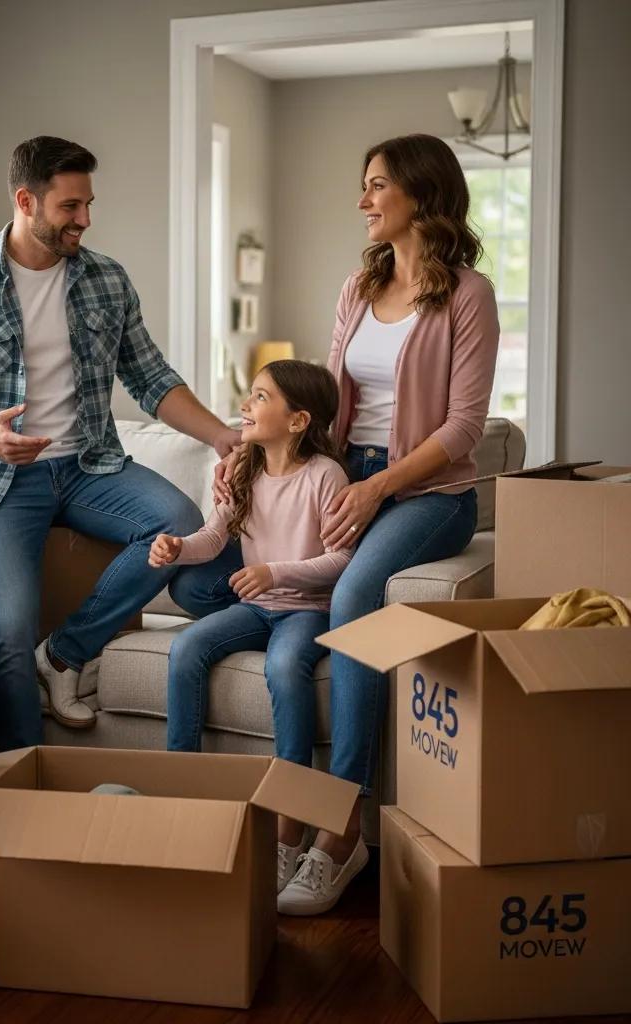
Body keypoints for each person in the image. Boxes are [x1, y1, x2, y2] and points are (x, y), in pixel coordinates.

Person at [173, 133, 500, 915]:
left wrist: (378, 484)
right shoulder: (359, 286)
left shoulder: (468, 293)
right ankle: (270, 637)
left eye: (377, 185)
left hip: (428, 494)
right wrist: (260, 455)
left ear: (419, 193)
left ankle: (338, 829)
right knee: (194, 581)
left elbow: (462, 427)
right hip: (348, 469)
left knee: (354, 600)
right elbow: (329, 398)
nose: (363, 201)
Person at [0, 135, 239, 748]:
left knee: (178, 523)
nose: (84, 219)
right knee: (8, 629)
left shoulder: (106, 279)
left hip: (88, 466)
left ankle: (63, 654)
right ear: (26, 201)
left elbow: (150, 378)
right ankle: (24, 790)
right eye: (69, 207)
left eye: (88, 205)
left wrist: (221, 436)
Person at [152, 360, 352, 899]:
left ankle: (289, 823)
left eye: (260, 397)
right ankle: (181, 788)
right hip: (259, 606)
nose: (246, 405)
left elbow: (342, 559)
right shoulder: (245, 470)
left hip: (307, 609)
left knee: (285, 667)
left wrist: (274, 573)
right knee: (187, 646)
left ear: (297, 420)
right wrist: (177, 549)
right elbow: (213, 538)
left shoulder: (325, 477)